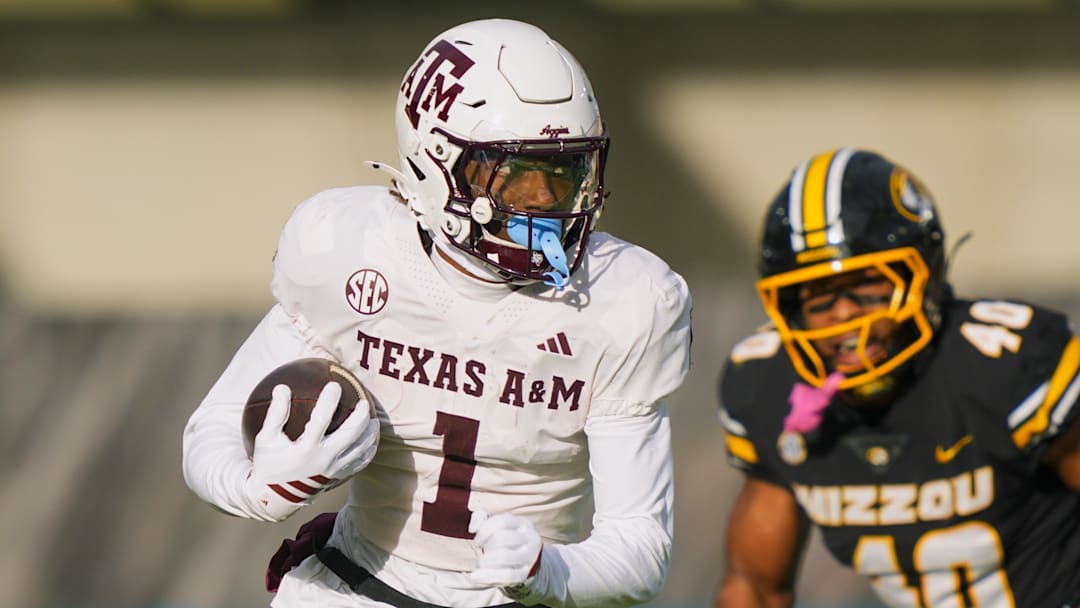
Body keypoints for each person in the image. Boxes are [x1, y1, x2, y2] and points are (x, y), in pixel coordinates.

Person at [181, 18, 692, 608]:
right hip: (354, 585)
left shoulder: (626, 300)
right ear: (434, 163)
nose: (546, 206)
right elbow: (210, 432)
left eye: (564, 173)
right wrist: (260, 487)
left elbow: (640, 550)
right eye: (516, 177)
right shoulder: (350, 252)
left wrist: (547, 569)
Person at [714, 147, 1080, 608]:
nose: (844, 317)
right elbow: (754, 588)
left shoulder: (1005, 365)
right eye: (819, 299)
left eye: (866, 286)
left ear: (923, 275)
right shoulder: (768, 384)